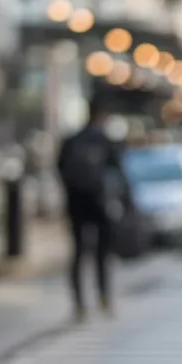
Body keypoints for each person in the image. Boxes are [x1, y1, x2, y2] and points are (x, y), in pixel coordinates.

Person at [57, 99, 127, 320]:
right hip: (101, 202)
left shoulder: (72, 140)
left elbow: (59, 168)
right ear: (103, 116)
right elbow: (118, 173)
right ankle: (104, 296)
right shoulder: (105, 141)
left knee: (78, 251)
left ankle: (79, 304)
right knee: (102, 252)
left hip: (76, 202)